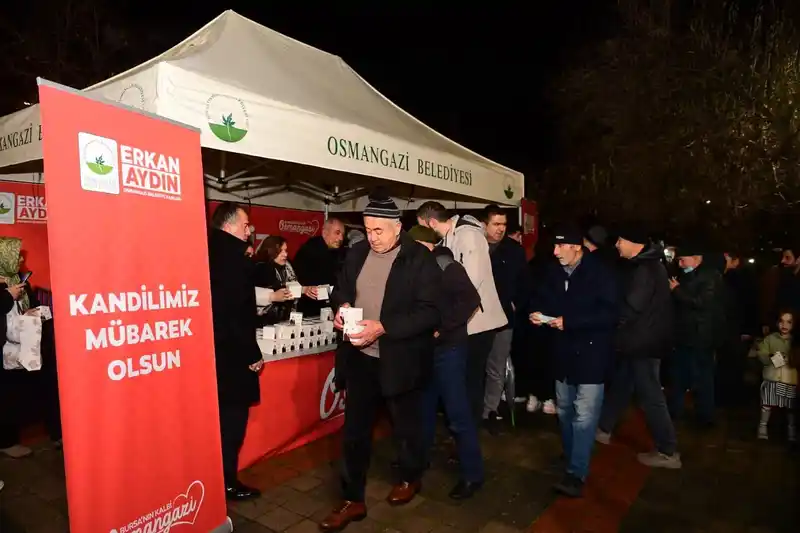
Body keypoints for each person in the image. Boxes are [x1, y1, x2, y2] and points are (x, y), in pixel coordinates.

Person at [320, 193, 440, 531]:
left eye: (379, 231)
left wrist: (384, 327)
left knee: (405, 426)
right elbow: (340, 289)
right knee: (354, 432)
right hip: (360, 358)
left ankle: (410, 476)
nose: (372, 237)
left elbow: (431, 312)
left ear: (398, 227)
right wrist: (341, 308)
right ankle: (352, 499)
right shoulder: (357, 252)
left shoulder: (419, 258)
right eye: (368, 229)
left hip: (400, 359)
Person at [529, 225, 619, 497]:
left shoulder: (601, 273)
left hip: (591, 357)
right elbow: (542, 297)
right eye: (554, 247)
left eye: (560, 247)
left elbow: (610, 315)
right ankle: (572, 456)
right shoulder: (554, 272)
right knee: (565, 411)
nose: (555, 252)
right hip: (562, 354)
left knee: (584, 417)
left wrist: (570, 322)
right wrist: (538, 313)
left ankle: (576, 472)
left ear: (576, 247)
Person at [408, 225, 485, 500]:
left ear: (426, 245)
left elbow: (472, 300)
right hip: (425, 350)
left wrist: (442, 328)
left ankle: (473, 475)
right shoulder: (416, 268)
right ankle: (419, 461)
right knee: (424, 410)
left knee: (457, 413)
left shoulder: (447, 267)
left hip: (449, 350)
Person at [596, 229, 681, 469]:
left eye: (621, 240)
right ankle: (603, 427)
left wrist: (606, 318)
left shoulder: (644, 269)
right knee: (623, 384)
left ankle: (667, 450)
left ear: (635, 243)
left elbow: (632, 306)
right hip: (639, 340)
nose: (617, 245)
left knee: (651, 396)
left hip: (643, 342)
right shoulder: (648, 265)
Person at [416, 202, 507, 424]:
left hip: (478, 322)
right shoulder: (451, 238)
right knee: (462, 380)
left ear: (431, 222)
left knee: (470, 380)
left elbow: (470, 284)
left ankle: (470, 428)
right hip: (467, 321)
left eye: (422, 226)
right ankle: (463, 426)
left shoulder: (468, 236)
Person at [207, 202, 264, 500]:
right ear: (228, 226)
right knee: (231, 423)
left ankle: (216, 479)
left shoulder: (207, 253)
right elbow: (235, 315)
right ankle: (226, 482)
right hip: (232, 358)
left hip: (212, 355)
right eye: (245, 225)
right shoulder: (233, 260)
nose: (249, 230)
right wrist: (252, 354)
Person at [480, 205, 530, 433]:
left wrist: (515, 304)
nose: (500, 229)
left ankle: (489, 410)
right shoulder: (474, 246)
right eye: (496, 224)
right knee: (475, 365)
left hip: (504, 320)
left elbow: (524, 283)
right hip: (476, 319)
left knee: (496, 367)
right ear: (484, 224)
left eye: (504, 224)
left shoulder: (514, 251)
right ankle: (473, 407)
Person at [668, 243, 726, 428]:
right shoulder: (688, 275)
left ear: (696, 258)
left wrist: (677, 291)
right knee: (680, 376)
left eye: (682, 260)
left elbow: (702, 303)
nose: (680, 264)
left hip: (700, 337)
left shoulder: (710, 276)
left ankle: (705, 415)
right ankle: (676, 411)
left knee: (702, 378)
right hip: (686, 335)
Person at [756, 311, 797, 442]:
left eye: (789, 322)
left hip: (789, 380)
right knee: (767, 403)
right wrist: (771, 358)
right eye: (781, 321)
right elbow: (761, 354)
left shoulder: (795, 341)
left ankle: (791, 431)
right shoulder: (770, 339)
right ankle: (762, 427)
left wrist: (791, 358)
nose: (784, 325)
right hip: (772, 378)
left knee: (790, 407)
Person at [292, 218, 345, 316]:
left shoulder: (339, 252)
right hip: (310, 309)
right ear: (325, 233)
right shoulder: (309, 250)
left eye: (342, 234)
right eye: (337, 233)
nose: (341, 238)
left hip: (330, 309)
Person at [253, 236, 298, 325]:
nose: (285, 254)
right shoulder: (260, 268)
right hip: (264, 323)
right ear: (270, 251)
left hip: (285, 321)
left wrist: (304, 289)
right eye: (280, 251)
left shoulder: (288, 266)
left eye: (285, 250)